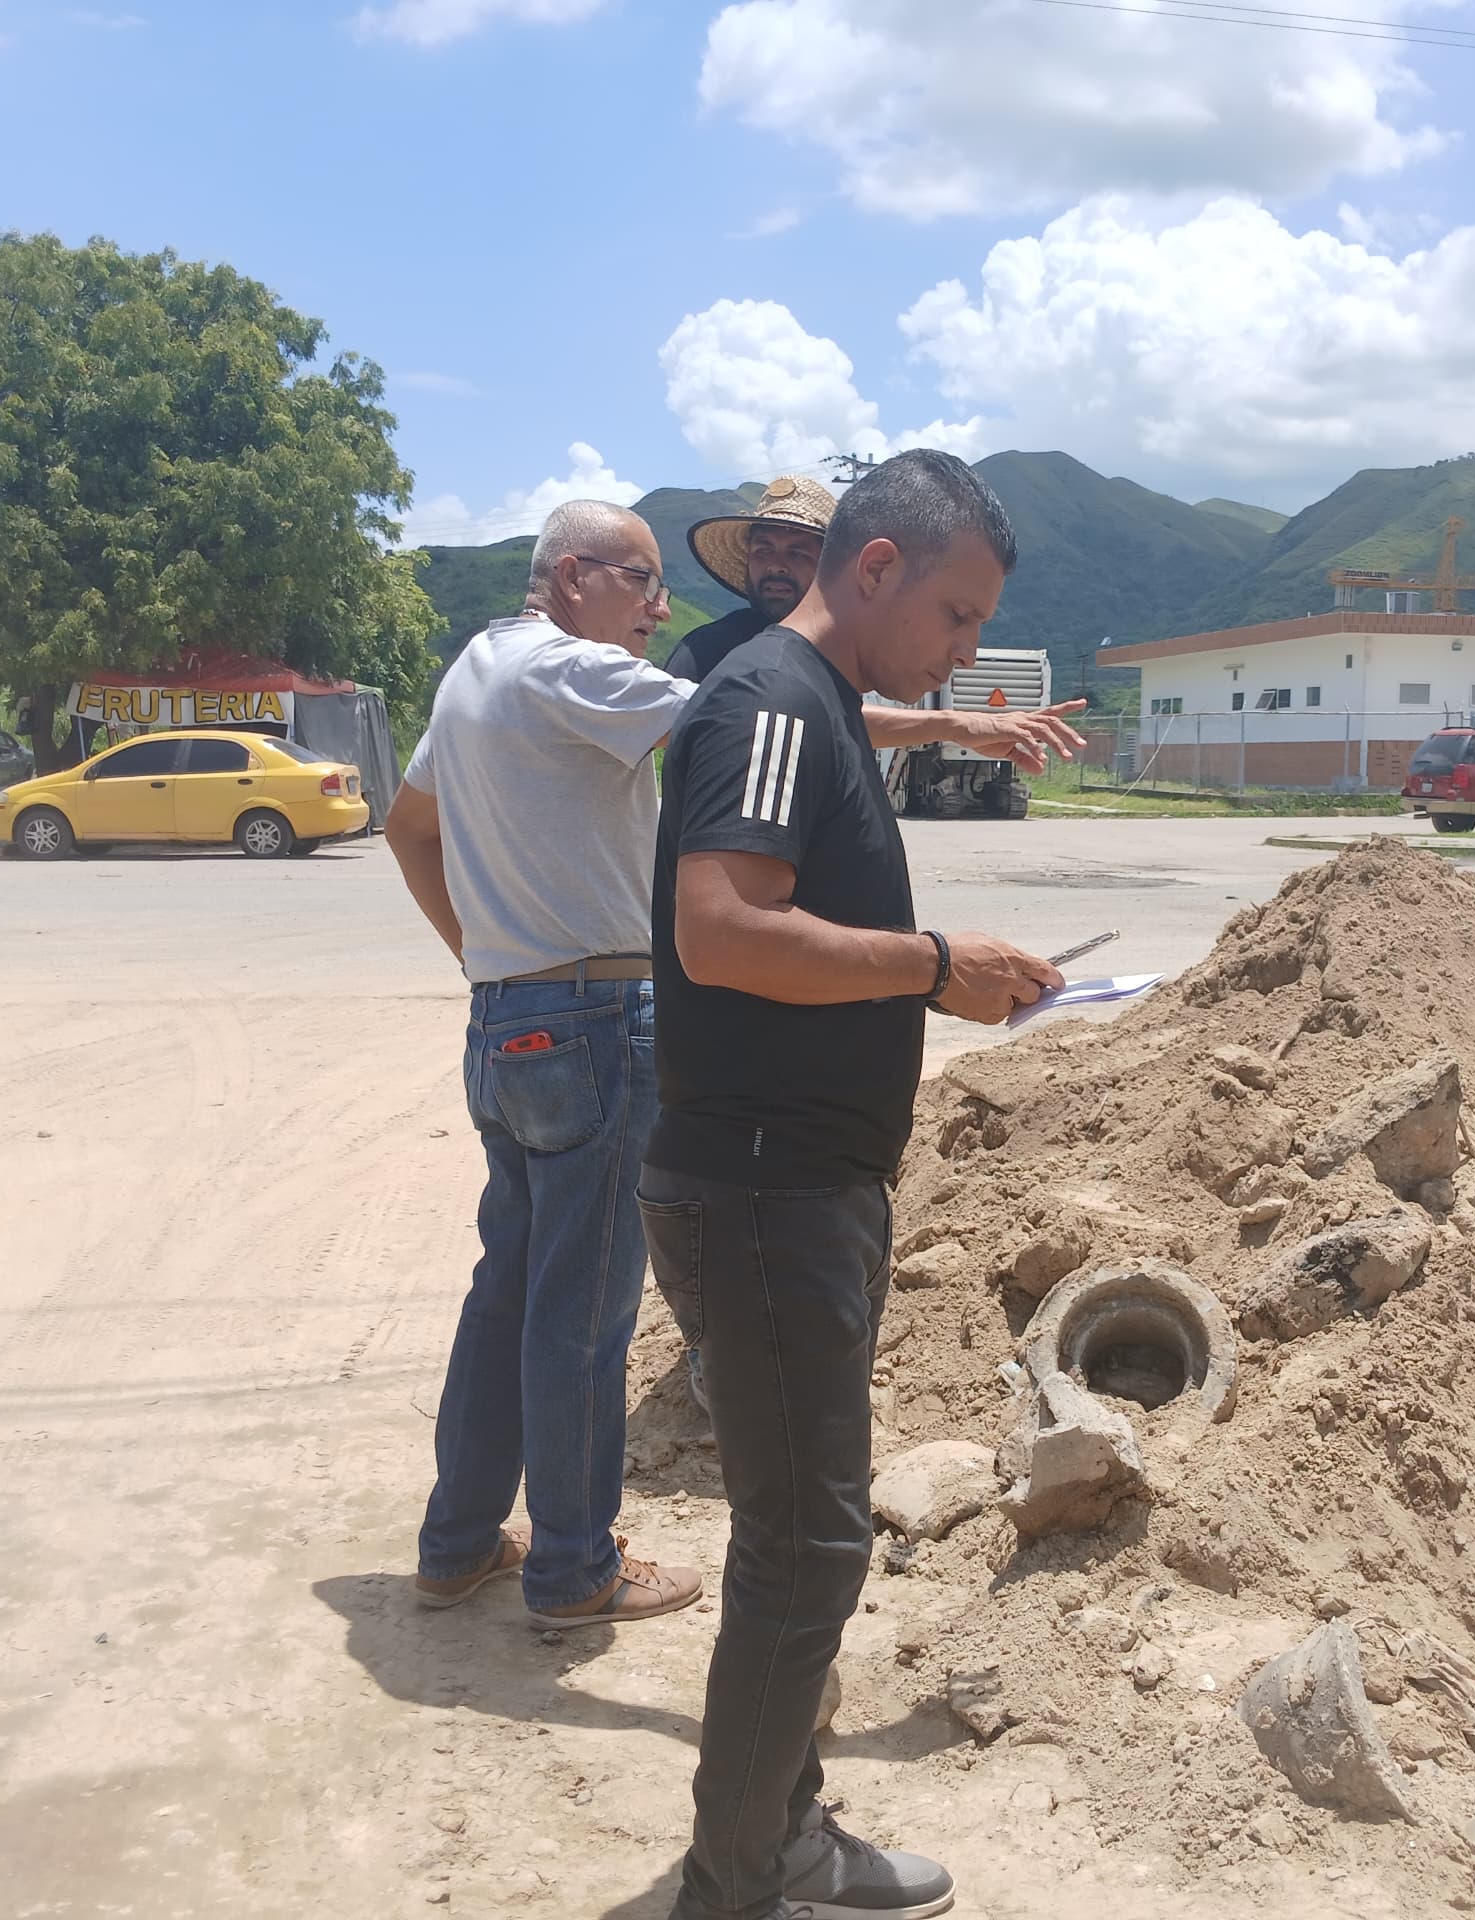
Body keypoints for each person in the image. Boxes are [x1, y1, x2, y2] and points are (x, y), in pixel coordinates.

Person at [641, 449, 1058, 1920]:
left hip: (800, 1186)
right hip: (764, 1193)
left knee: (804, 1538)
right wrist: (936, 966)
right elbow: (719, 928)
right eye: (956, 615)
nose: (963, 650)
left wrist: (936, 965)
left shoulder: (819, 703)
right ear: (875, 569)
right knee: (806, 1545)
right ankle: (743, 1875)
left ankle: (778, 1833)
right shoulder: (768, 703)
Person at [387, 498, 705, 1631]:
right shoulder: (573, 669)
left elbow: (406, 826)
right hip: (598, 1018)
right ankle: (575, 1569)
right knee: (585, 1307)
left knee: (510, 1290)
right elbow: (762, 721)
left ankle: (459, 1543)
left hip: (507, 1019)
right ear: (574, 576)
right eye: (643, 582)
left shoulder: (473, 672)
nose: (659, 610)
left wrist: (485, 958)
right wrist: (946, 725)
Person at [666, 473, 835, 685]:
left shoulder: (851, 652)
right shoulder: (705, 651)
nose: (776, 566)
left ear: (828, 567)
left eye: (797, 553)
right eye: (763, 550)